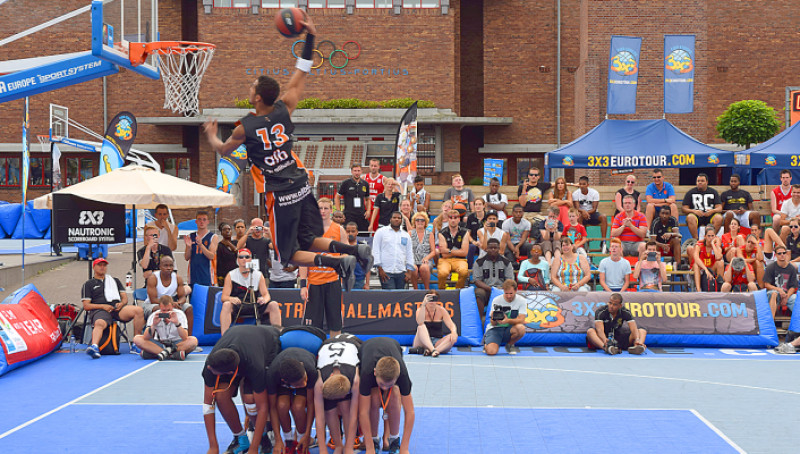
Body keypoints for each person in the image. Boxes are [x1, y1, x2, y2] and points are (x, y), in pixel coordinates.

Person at [202, 15, 369, 291]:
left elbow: (223, 149)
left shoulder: (246, 127)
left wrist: (210, 135)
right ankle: (354, 250)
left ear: (257, 98)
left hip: (280, 193)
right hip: (303, 187)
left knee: (287, 255)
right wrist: (311, 37)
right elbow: (302, 70)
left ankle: (340, 263)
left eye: (253, 86)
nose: (251, 87)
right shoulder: (285, 108)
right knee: (310, 239)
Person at [202, 325, 281, 454]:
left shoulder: (255, 365)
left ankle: (263, 436)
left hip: (268, 342)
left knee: (250, 399)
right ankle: (241, 438)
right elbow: (208, 405)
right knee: (221, 396)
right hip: (238, 338)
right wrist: (213, 447)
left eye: (214, 371)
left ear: (231, 372)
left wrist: (254, 449)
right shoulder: (211, 365)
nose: (209, 370)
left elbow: (262, 408)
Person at [300, 197, 351, 337]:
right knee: (312, 325)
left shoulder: (339, 229)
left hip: (333, 281)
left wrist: (333, 259)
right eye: (320, 208)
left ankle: (333, 349)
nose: (322, 211)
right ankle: (313, 352)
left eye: (326, 208)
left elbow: (347, 254)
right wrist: (303, 285)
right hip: (314, 283)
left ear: (331, 210)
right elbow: (303, 259)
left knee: (335, 321)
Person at [358, 337, 415, 454]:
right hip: (366, 349)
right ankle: (373, 440)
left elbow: (410, 412)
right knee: (374, 398)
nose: (384, 388)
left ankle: (393, 439)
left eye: (388, 385)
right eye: (381, 384)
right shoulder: (367, 373)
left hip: (393, 347)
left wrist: (405, 448)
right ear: (375, 373)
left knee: (394, 394)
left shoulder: (402, 375)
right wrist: (369, 448)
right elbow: (363, 412)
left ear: (397, 377)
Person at [81, 258, 145, 359]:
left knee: (138, 310)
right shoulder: (88, 284)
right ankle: (95, 347)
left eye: (104, 265)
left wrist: (121, 303)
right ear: (94, 267)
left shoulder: (114, 281)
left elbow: (124, 298)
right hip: (100, 310)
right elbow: (86, 306)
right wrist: (103, 306)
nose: (102, 267)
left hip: (116, 309)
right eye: (100, 265)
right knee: (99, 323)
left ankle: (136, 343)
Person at [313, 334, 363, 454]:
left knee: (346, 407)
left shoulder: (355, 380)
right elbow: (319, 418)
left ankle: (349, 443)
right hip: (329, 345)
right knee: (329, 410)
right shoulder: (319, 381)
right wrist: (322, 450)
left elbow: (354, 415)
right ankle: (338, 444)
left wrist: (349, 448)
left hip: (353, 343)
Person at [266, 347, 318, 454]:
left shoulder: (310, 371)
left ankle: (300, 441)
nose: (304, 384)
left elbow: (311, 403)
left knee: (298, 407)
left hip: (302, 368)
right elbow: (272, 408)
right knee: (281, 405)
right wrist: (278, 439)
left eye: (305, 380)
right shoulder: (272, 375)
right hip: (284, 378)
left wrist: (307, 435)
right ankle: (289, 442)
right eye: (299, 384)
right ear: (284, 381)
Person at [220, 248, 281, 335]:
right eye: (241, 257)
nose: (244, 259)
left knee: (273, 304)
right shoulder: (231, 275)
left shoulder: (258, 274)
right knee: (226, 305)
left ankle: (278, 335)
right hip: (239, 304)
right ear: (237, 260)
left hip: (254, 304)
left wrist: (264, 299)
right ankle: (224, 337)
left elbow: (266, 295)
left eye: (247, 257)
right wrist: (231, 299)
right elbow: (224, 297)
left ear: (251, 259)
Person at [134, 295, 198, 360]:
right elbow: (146, 337)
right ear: (159, 308)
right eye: (163, 310)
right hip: (160, 343)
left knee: (193, 341)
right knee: (137, 339)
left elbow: (185, 337)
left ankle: (157, 353)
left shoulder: (180, 314)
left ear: (173, 306)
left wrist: (177, 323)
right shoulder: (154, 315)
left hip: (177, 343)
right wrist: (154, 325)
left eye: (168, 310)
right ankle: (171, 354)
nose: (166, 312)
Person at [143, 256, 192, 332]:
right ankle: (157, 336)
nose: (169, 268)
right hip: (153, 304)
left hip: (171, 304)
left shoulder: (177, 278)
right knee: (158, 309)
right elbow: (153, 300)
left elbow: (182, 297)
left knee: (188, 308)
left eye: (171, 265)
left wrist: (178, 303)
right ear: (160, 266)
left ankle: (188, 336)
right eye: (166, 265)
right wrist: (170, 304)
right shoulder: (153, 278)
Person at [372, 212, 415, 290]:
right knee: (390, 298)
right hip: (386, 272)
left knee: (400, 298)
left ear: (402, 220)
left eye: (399, 218)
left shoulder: (406, 235)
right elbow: (376, 250)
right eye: (394, 217)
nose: (396, 219)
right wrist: (380, 269)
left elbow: (409, 253)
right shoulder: (381, 232)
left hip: (401, 272)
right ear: (390, 219)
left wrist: (409, 272)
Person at [472, 238, 515, 317]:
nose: (493, 250)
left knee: (511, 292)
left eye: (495, 248)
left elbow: (510, 280)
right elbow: (477, 281)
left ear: (499, 249)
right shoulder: (479, 262)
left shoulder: (506, 262)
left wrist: (501, 289)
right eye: (490, 248)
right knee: (478, 292)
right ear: (486, 249)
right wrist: (491, 289)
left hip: (502, 290)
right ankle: (479, 319)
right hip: (486, 290)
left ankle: (506, 318)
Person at [409, 290, 458, 357]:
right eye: (429, 298)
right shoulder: (420, 310)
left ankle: (433, 351)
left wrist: (454, 332)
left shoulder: (441, 310)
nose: (431, 301)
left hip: (437, 342)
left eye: (434, 298)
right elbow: (419, 322)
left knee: (452, 337)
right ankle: (432, 350)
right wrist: (423, 304)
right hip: (422, 342)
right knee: (421, 326)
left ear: (437, 300)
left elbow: (451, 324)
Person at [483, 279, 526, 355]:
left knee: (521, 328)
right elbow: (492, 323)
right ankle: (487, 342)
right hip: (495, 329)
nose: (509, 296)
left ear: (516, 290)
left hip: (509, 329)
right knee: (491, 352)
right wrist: (494, 318)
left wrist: (507, 321)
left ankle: (509, 344)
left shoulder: (522, 300)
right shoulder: (496, 300)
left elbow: (522, 320)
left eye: (511, 293)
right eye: (506, 293)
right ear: (503, 291)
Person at [682, 173, 723, 240]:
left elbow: (719, 208)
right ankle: (696, 240)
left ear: (707, 182)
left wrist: (712, 211)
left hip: (710, 215)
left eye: (702, 181)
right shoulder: (690, 192)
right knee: (690, 217)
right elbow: (684, 208)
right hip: (696, 216)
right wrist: (694, 211)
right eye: (698, 181)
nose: (700, 183)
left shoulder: (713, 192)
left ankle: (710, 239)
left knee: (719, 218)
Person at [183, 210, 218, 286]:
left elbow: (211, 256)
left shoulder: (213, 237)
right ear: (196, 221)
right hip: (193, 275)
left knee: (207, 297)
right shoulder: (191, 236)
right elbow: (186, 257)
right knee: (193, 296)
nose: (202, 222)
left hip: (207, 274)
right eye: (199, 219)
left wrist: (201, 245)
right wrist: (189, 247)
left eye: (204, 219)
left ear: (208, 221)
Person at [437, 209, 470, 289]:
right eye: (451, 218)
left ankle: (458, 290)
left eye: (455, 218)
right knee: (442, 273)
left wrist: (449, 251)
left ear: (459, 219)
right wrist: (458, 251)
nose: (453, 220)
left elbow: (464, 253)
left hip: (460, 260)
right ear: (448, 219)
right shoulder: (442, 233)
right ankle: (442, 291)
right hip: (445, 260)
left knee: (464, 271)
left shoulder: (465, 232)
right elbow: (444, 254)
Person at [573, 175, 608, 244]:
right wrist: (583, 212)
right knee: (578, 218)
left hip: (592, 213)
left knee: (603, 217)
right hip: (581, 215)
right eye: (580, 184)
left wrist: (586, 213)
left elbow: (594, 209)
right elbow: (577, 208)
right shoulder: (575, 193)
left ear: (588, 185)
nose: (582, 186)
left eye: (584, 184)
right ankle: (582, 241)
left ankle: (603, 241)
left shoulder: (594, 193)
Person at [336, 163, 371, 233]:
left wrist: (368, 211)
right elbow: (337, 197)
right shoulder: (346, 183)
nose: (357, 173)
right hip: (349, 215)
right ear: (351, 171)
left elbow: (367, 199)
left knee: (363, 235)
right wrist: (339, 212)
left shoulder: (365, 184)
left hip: (361, 215)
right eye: (355, 171)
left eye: (358, 171)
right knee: (349, 235)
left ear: (361, 171)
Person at [764, 245, 798, 315]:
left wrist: (786, 297)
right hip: (773, 293)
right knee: (774, 294)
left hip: (786, 294)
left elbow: (793, 287)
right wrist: (778, 290)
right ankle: (770, 322)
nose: (782, 255)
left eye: (784, 253)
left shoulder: (792, 268)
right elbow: (766, 284)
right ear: (776, 255)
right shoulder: (771, 267)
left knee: (795, 299)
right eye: (779, 253)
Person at [690, 226, 724, 292]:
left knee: (720, 263)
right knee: (695, 265)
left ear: (715, 237)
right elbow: (696, 258)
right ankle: (698, 290)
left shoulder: (716, 246)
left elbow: (718, 257)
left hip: (711, 268)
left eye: (712, 236)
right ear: (705, 236)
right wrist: (706, 270)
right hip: (701, 268)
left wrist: (713, 244)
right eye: (708, 236)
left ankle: (720, 289)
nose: (710, 238)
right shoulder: (699, 245)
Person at [408, 212, 435, 290]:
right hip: (413, 259)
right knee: (413, 268)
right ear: (414, 222)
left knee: (424, 268)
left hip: (425, 260)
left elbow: (433, 251)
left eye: (422, 220)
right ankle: (415, 290)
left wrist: (427, 258)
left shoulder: (430, 234)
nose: (420, 222)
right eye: (417, 220)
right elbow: (406, 250)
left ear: (425, 222)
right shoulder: (410, 233)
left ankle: (427, 289)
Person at [346, 222, 372, 290]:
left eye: (353, 231)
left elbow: (367, 267)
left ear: (357, 232)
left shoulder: (363, 247)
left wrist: (367, 283)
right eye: (348, 231)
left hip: (359, 280)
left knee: (357, 300)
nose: (350, 233)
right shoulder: (341, 246)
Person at [464, 198, 487, 265]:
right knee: (471, 247)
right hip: (475, 242)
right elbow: (468, 233)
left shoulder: (488, 217)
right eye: (476, 204)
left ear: (484, 206)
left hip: (486, 242)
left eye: (480, 204)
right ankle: (469, 268)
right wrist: (473, 242)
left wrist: (483, 242)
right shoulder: (471, 217)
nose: (478, 206)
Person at [365, 158, 385, 232]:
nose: (373, 167)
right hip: (366, 209)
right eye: (372, 165)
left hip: (377, 209)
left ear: (379, 167)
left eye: (375, 166)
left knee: (375, 230)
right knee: (365, 230)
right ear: (369, 166)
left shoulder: (383, 179)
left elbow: (394, 189)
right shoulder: (364, 178)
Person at [216, 222, 239, 286]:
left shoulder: (235, 242)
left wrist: (229, 244)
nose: (227, 231)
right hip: (224, 276)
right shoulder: (219, 246)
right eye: (224, 229)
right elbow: (219, 263)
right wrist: (219, 277)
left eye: (229, 229)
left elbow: (238, 253)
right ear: (221, 233)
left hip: (236, 274)